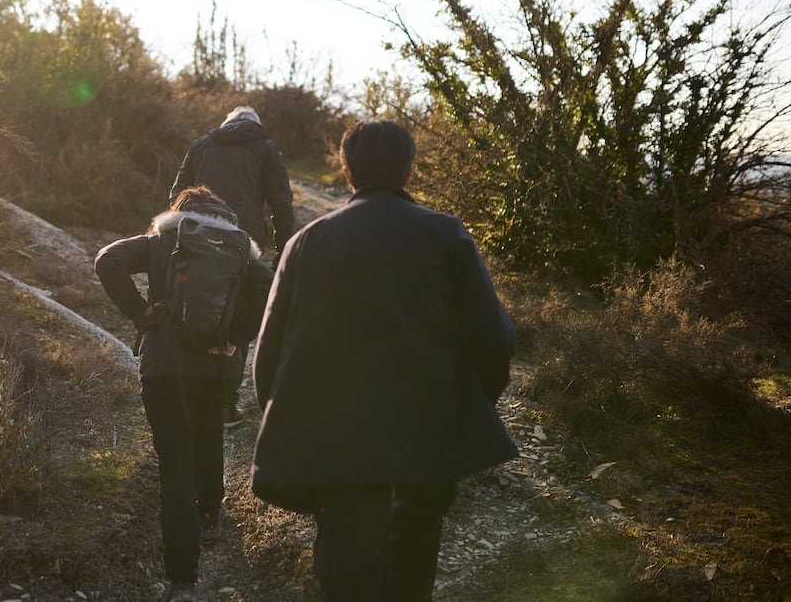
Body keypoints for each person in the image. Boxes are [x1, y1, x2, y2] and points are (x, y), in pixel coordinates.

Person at [250, 120, 518, 602]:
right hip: (426, 439)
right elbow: (494, 339)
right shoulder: (445, 234)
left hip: (338, 444)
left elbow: (267, 354)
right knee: (411, 573)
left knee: (346, 577)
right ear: (409, 171)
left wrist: (288, 421)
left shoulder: (306, 242)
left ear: (346, 170)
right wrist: (462, 408)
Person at [95, 187, 274, 602]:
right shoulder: (241, 253)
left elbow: (108, 258)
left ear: (180, 213)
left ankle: (182, 581)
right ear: (227, 219)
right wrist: (236, 335)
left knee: (175, 465)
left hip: (164, 369)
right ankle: (210, 513)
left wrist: (140, 311)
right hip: (217, 369)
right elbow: (272, 290)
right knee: (209, 432)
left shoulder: (164, 239)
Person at [169, 105, 295, 427]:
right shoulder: (266, 148)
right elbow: (281, 204)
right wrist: (284, 253)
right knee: (235, 315)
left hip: (193, 237)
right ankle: (224, 404)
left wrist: (174, 234)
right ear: (255, 125)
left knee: (191, 305)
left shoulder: (202, 144)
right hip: (242, 242)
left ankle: (185, 394)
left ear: (227, 124)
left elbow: (176, 194)